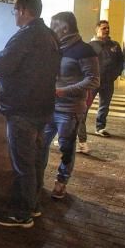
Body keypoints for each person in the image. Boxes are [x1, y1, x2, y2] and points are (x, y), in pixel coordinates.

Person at [0, 0, 60, 228]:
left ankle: (22, 213)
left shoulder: (25, 36)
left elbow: (2, 64)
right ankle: (34, 205)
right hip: (42, 109)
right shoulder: (50, 35)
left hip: (22, 109)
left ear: (22, 10)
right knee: (35, 160)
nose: (14, 16)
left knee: (23, 164)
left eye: (14, 11)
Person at [42, 12, 99, 200]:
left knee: (66, 147)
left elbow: (93, 80)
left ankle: (61, 182)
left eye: (54, 25)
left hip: (69, 109)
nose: (51, 29)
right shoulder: (54, 48)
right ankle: (37, 179)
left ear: (65, 28)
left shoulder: (84, 51)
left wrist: (64, 91)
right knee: (40, 144)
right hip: (48, 106)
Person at [76, 20, 122, 150]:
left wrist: (116, 74)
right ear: (97, 30)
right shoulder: (90, 45)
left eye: (108, 28)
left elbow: (120, 61)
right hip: (94, 81)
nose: (106, 30)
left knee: (104, 105)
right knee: (85, 106)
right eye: (103, 28)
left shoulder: (114, 45)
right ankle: (81, 131)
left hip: (108, 81)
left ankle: (100, 126)